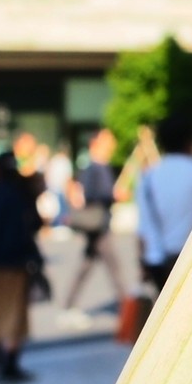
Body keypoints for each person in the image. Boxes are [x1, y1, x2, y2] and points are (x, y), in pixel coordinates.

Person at [0, 151, 42, 381]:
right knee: (14, 315)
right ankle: (10, 363)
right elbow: (35, 224)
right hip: (16, 263)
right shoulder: (22, 193)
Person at [136, 115, 192, 294]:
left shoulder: (149, 177)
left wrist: (141, 264)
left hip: (158, 260)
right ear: (191, 141)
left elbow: (143, 227)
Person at [59, 128, 127, 327]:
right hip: (97, 224)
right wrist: (114, 195)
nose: (112, 146)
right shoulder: (94, 166)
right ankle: (127, 306)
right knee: (112, 267)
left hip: (100, 223)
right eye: (108, 141)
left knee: (89, 265)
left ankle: (69, 306)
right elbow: (92, 193)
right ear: (96, 143)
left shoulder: (97, 166)